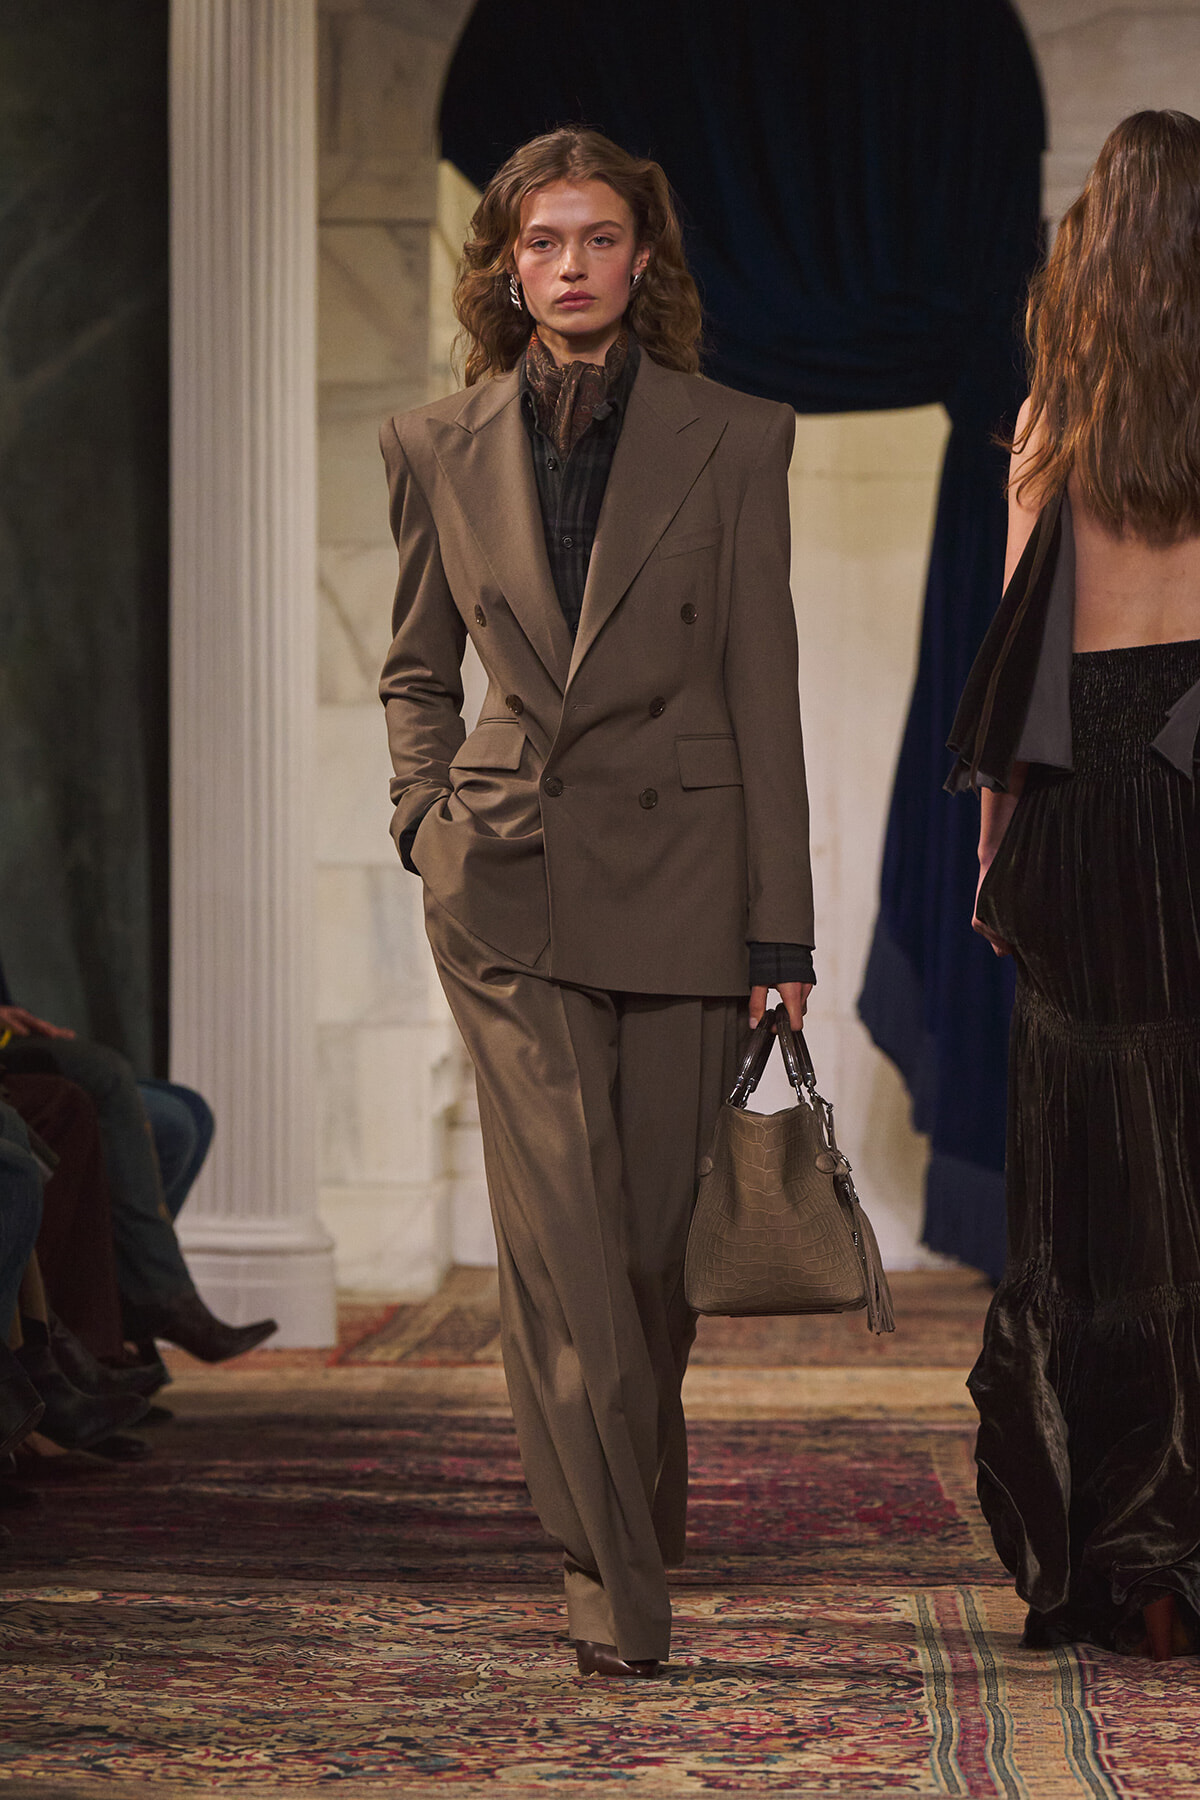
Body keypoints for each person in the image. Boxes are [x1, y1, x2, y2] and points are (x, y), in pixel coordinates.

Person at [379, 127, 814, 1677]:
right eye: (543, 240)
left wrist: (785, 938)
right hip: (506, 881)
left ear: (646, 259)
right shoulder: (436, 443)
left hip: (691, 884)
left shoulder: (738, 436)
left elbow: (767, 689)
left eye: (601, 237)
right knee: (562, 1240)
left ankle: (633, 1499)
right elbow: (418, 667)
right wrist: (424, 824)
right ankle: (611, 1583)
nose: (571, 264)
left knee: (642, 1259)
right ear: (507, 263)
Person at [947, 110, 1200, 1661]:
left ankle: (1115, 1558)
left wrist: (997, 867)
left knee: (1090, 1189)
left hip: (1084, 807)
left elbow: (1018, 680)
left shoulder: (1052, 422)